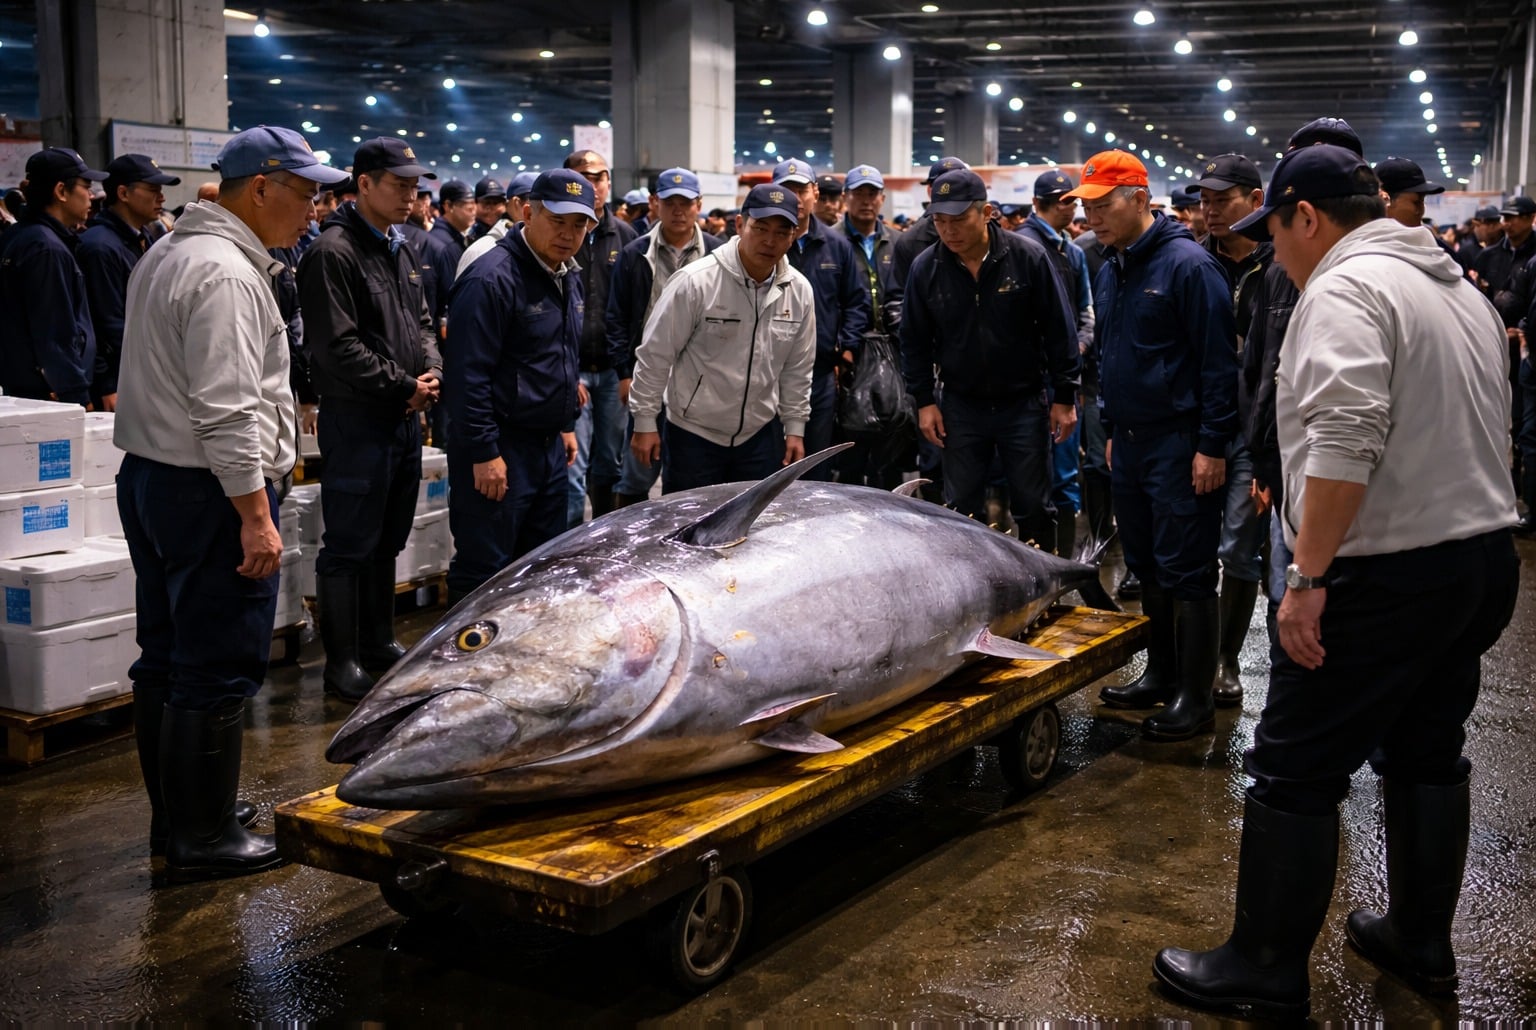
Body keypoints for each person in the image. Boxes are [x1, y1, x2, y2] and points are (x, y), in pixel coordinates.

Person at [1153, 142, 1520, 1020]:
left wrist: (1309, 575)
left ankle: (1265, 965)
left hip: (1384, 571)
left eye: (1272, 231)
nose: (1272, 252)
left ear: (1305, 217)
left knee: (1294, 765)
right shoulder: (1454, 286)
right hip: (1477, 558)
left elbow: (1348, 435)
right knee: (1428, 748)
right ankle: (1420, 942)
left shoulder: (1348, 288)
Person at [114, 125, 346, 882]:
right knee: (214, 665)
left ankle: (178, 815)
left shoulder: (171, 251)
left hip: (153, 478)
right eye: (306, 194)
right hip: (212, 492)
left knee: (167, 657)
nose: (313, 210)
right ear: (261, 188)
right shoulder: (226, 275)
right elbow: (227, 410)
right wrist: (255, 514)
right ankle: (203, 835)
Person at [1064, 150, 1237, 741]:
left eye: (1102, 205)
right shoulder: (1112, 267)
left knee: (1187, 569)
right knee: (1145, 564)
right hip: (1132, 443)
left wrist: (1212, 445)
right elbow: (1113, 357)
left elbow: (1219, 367)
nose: (1092, 218)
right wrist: (1112, 431)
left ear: (1139, 199)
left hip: (1181, 442)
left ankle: (1196, 695)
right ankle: (1161, 675)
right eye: (1085, 207)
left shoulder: (1190, 267)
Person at [296, 137, 442, 702]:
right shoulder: (332, 252)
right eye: (399, 184)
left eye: (413, 185)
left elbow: (424, 322)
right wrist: (403, 386)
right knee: (350, 543)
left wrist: (429, 372)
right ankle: (343, 661)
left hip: (404, 419)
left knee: (387, 538)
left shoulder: (400, 249)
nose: (411, 194)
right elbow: (336, 348)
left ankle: (378, 642)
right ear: (363, 184)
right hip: (358, 420)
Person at [900, 169, 1079, 546]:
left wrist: (1064, 396)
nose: (949, 231)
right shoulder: (926, 268)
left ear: (986, 213)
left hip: (1023, 403)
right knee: (962, 506)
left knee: (1032, 505)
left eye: (959, 220)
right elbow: (914, 341)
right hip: (961, 406)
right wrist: (925, 401)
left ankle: (1041, 592)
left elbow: (1060, 330)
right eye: (940, 221)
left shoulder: (1028, 258)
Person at [443, 170, 593, 601]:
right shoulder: (491, 278)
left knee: (538, 566)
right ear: (528, 213)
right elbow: (467, 375)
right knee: (484, 570)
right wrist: (484, 452)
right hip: (500, 449)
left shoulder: (565, 274)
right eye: (558, 221)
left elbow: (557, 356)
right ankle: (465, 669)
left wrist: (566, 424)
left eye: (579, 224)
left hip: (546, 449)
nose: (568, 234)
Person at [628, 183, 815, 490]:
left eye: (782, 232)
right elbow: (655, 355)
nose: (770, 240)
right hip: (694, 434)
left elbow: (798, 368)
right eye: (760, 228)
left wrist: (795, 427)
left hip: (759, 436)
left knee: (751, 530)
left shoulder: (799, 291)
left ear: (793, 235)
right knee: (690, 528)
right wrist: (645, 421)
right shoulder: (695, 282)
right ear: (740, 225)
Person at [1191, 153, 1273, 706]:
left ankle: (1226, 660)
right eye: (1206, 200)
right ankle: (1189, 662)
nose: (1211, 210)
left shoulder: (1280, 264)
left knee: (1240, 547)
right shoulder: (1193, 262)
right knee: (1192, 546)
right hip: (1199, 425)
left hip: (1253, 428)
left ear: (1256, 201)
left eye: (1223, 199)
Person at [606, 166, 724, 507]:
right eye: (670, 202)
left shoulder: (720, 254)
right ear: (654, 203)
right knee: (638, 468)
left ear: (699, 204)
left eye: (686, 202)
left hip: (702, 381)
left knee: (690, 469)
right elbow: (617, 318)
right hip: (649, 375)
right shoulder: (634, 254)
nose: (678, 210)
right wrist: (625, 372)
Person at [773, 159, 871, 476]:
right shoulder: (764, 245)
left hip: (820, 375)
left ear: (814, 192)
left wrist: (846, 349)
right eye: (786, 191)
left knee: (814, 464)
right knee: (767, 464)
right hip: (766, 375)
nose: (796, 199)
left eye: (801, 190)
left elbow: (857, 302)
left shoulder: (837, 246)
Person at [1019, 169, 1095, 556]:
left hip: (1063, 379)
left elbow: (1085, 312)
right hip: (1028, 381)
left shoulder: (1074, 251)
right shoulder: (1019, 247)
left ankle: (1059, 565)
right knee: (1028, 477)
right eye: (1056, 203)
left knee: (1065, 472)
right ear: (1038, 205)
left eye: (1070, 202)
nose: (1066, 209)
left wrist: (1076, 348)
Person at [0, 147, 108, 405]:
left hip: (28, 387)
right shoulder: (46, 248)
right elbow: (55, 333)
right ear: (61, 191)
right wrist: (76, 394)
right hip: (50, 395)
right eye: (85, 186)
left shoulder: (21, 235)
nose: (91, 196)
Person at [563, 149, 636, 523]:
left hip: (612, 373)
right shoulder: (557, 234)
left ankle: (604, 542)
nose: (595, 185)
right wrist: (564, 370)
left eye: (601, 176)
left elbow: (631, 311)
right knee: (573, 470)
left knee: (609, 465)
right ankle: (569, 551)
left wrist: (627, 370)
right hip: (569, 373)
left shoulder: (626, 238)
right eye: (586, 177)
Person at [76, 154, 182, 411]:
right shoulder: (100, 247)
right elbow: (101, 323)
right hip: (118, 378)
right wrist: (107, 384)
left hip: (144, 372)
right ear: (123, 193)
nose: (162, 198)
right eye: (153, 190)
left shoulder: (145, 238)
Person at [468, 175, 506, 241]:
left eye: (496, 203)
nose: (491, 209)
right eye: (487, 203)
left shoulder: (509, 231)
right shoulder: (468, 233)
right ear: (475, 204)